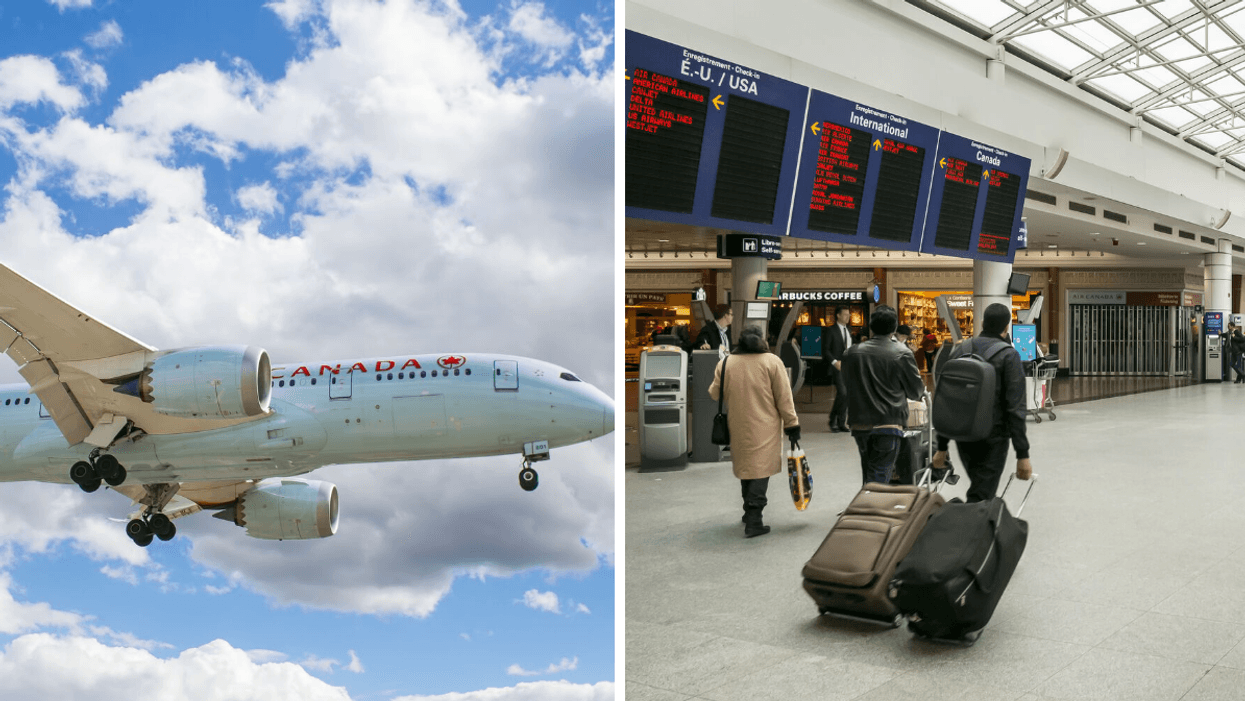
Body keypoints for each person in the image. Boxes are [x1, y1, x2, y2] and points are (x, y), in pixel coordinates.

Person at [932, 303, 1033, 501]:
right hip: (992, 438)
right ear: (1006, 328)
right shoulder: (1009, 356)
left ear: (981, 323)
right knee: (981, 494)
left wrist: (941, 447)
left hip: (963, 435)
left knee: (981, 488)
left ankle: (980, 524)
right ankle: (968, 528)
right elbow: (1015, 408)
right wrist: (1023, 454)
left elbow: (947, 398)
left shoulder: (960, 350)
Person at [708, 326, 799, 538]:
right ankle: (754, 519)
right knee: (760, 469)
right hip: (765, 426)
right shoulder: (772, 362)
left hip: (738, 424)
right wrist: (792, 424)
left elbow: (714, 393)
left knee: (746, 468)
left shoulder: (727, 362)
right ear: (762, 340)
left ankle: (747, 512)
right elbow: (784, 399)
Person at [841, 307, 924, 485]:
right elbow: (916, 391)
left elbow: (846, 383)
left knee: (869, 469)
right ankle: (873, 508)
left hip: (859, 421)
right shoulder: (902, 353)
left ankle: (866, 506)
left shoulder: (852, 353)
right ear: (894, 329)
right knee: (880, 474)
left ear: (871, 327)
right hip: (889, 420)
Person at [825, 305, 853, 433]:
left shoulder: (849, 330)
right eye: (845, 315)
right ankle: (833, 420)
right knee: (843, 392)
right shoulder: (831, 331)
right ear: (838, 315)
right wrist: (834, 362)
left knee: (846, 396)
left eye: (849, 315)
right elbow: (825, 349)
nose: (848, 317)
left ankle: (841, 422)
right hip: (838, 366)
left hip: (849, 366)